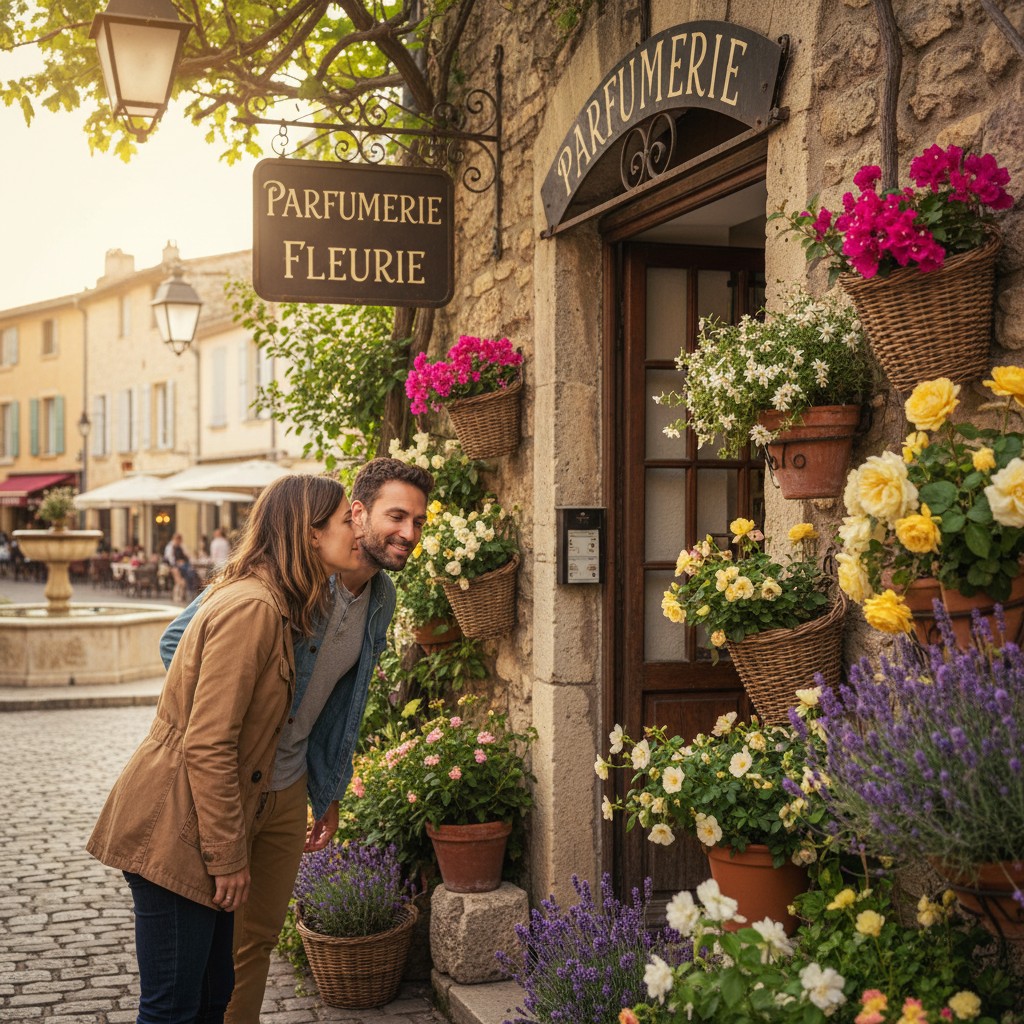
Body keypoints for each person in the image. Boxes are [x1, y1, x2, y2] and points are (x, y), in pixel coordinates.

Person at [158, 458, 432, 1024]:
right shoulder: (290, 574)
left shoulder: (382, 599)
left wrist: (326, 789)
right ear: (357, 513)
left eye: (419, 523)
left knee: (256, 939)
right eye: (397, 516)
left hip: (288, 788)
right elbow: (177, 644)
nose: (409, 533)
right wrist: (232, 726)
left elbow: (341, 705)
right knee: (213, 947)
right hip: (230, 786)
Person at [86, 474, 364, 1024]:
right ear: (310, 534)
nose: (356, 529)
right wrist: (229, 857)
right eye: (343, 520)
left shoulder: (277, 602)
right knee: (172, 1010)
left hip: (195, 827)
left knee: (213, 1001)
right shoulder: (254, 609)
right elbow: (210, 744)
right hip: (173, 831)